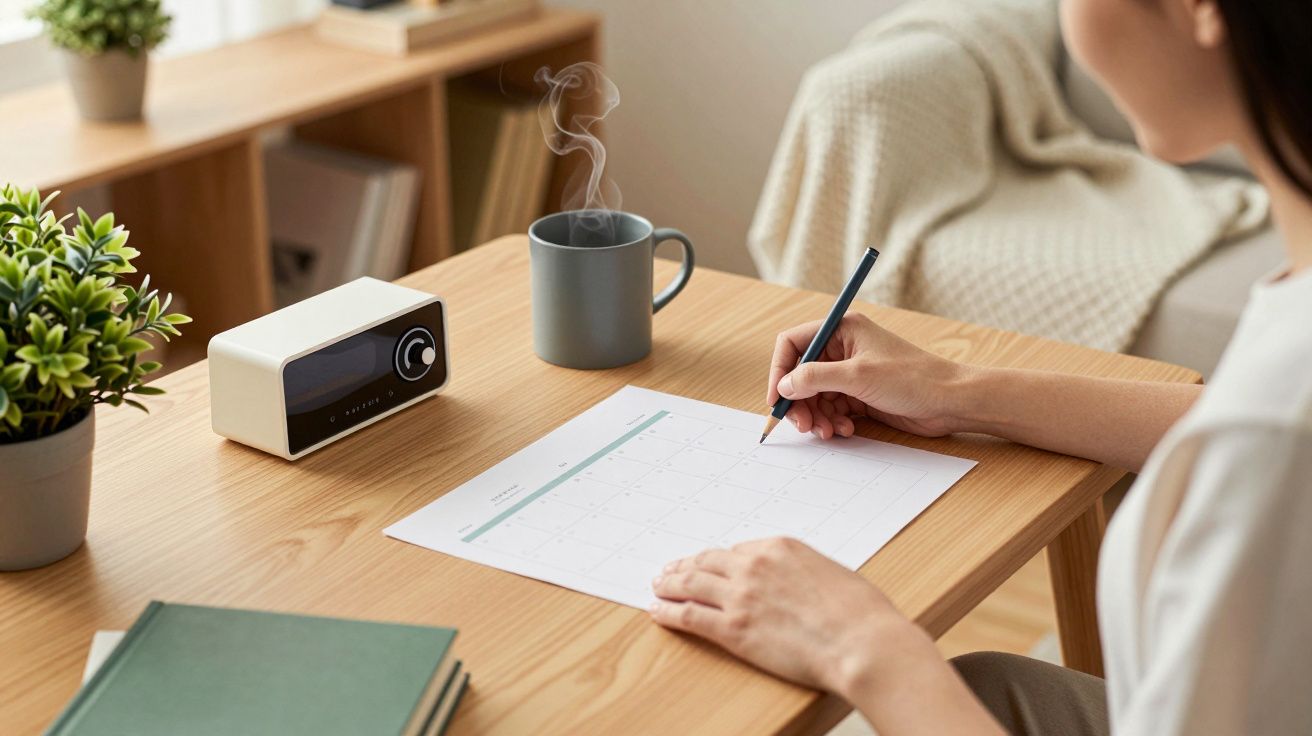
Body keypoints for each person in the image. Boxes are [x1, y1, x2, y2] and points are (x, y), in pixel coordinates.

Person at [649, 0, 1312, 733]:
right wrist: (955, 392)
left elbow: (1268, 436)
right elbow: (1246, 420)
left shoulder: (1272, 440)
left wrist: (862, 644)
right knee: (989, 684)